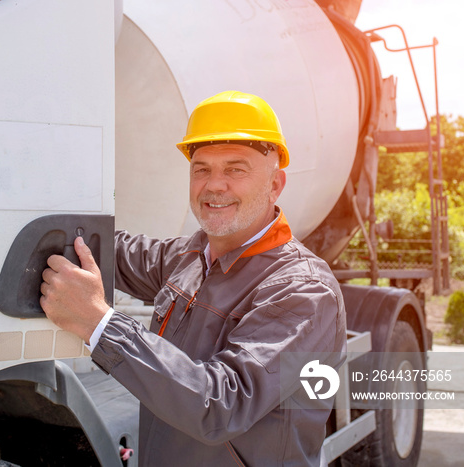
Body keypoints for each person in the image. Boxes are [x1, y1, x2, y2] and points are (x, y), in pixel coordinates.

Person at [40, 90, 347, 466]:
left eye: (235, 169)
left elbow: (221, 405)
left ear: (274, 185)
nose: (214, 185)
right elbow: (110, 252)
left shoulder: (302, 290)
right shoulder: (188, 257)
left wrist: (99, 324)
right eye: (202, 169)